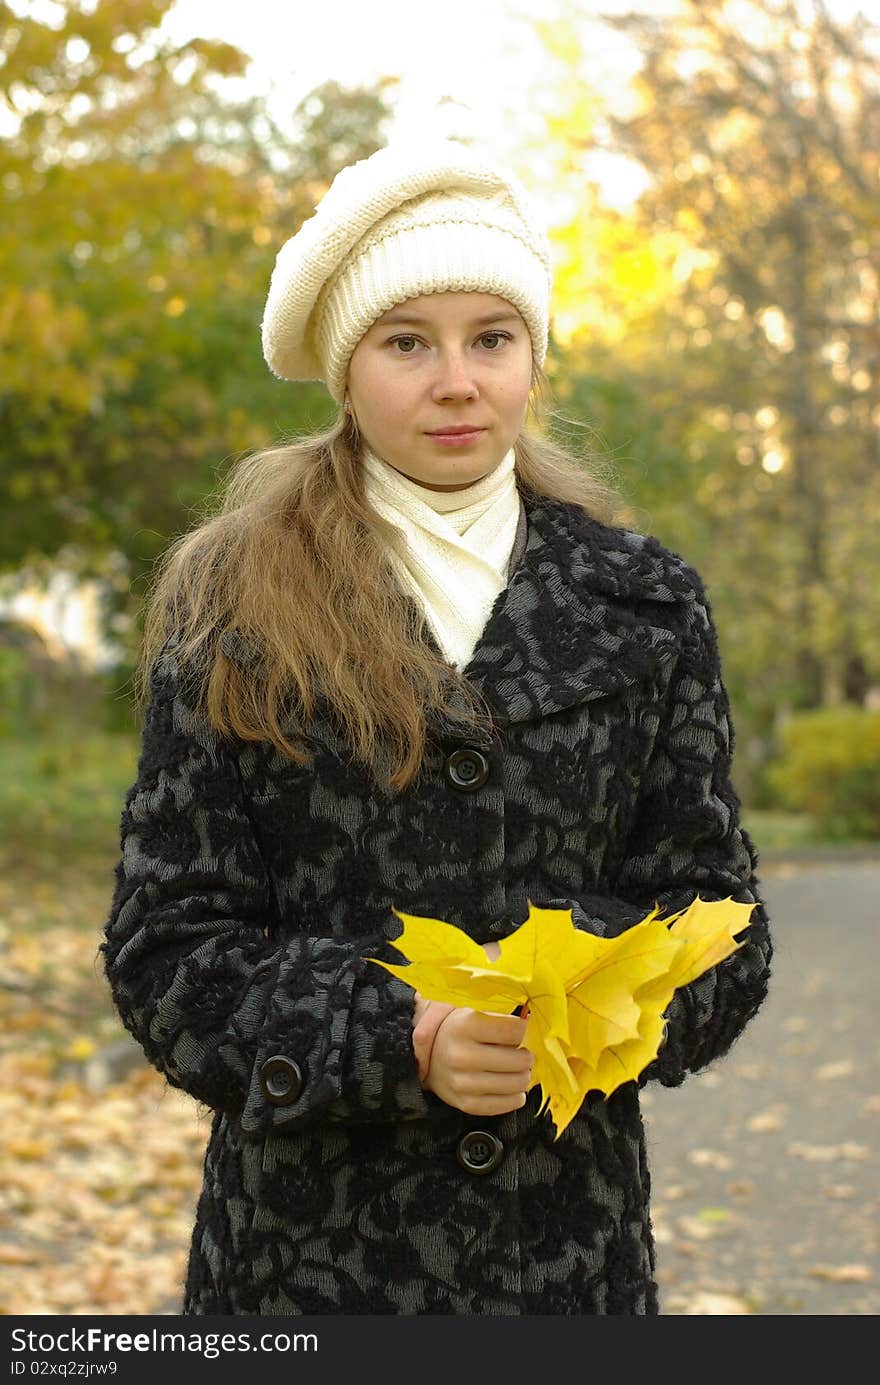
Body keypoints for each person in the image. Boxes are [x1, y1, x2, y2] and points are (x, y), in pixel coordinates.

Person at [100, 137, 772, 1316]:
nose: (456, 381)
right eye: (407, 341)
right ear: (345, 371)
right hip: (306, 1266)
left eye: (491, 338)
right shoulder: (231, 605)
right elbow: (169, 951)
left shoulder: (644, 601)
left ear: (532, 357)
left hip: (566, 1254)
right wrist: (396, 1033)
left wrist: (576, 1008)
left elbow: (718, 921)